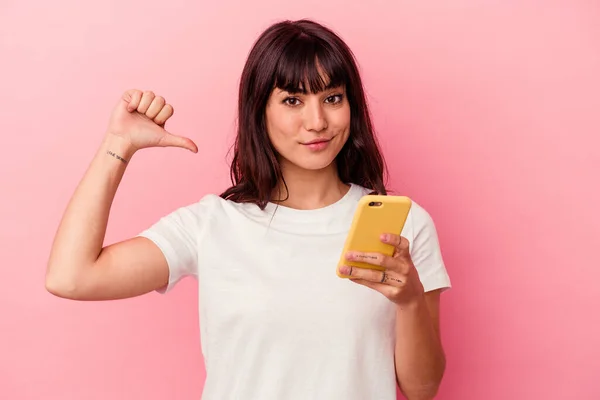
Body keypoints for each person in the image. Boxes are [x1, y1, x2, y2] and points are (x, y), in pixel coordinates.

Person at [46, 19, 451, 400]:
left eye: (332, 98)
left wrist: (411, 300)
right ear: (260, 111)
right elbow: (71, 277)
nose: (317, 121)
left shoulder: (405, 224)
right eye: (292, 100)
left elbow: (422, 389)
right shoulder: (212, 225)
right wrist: (118, 143)